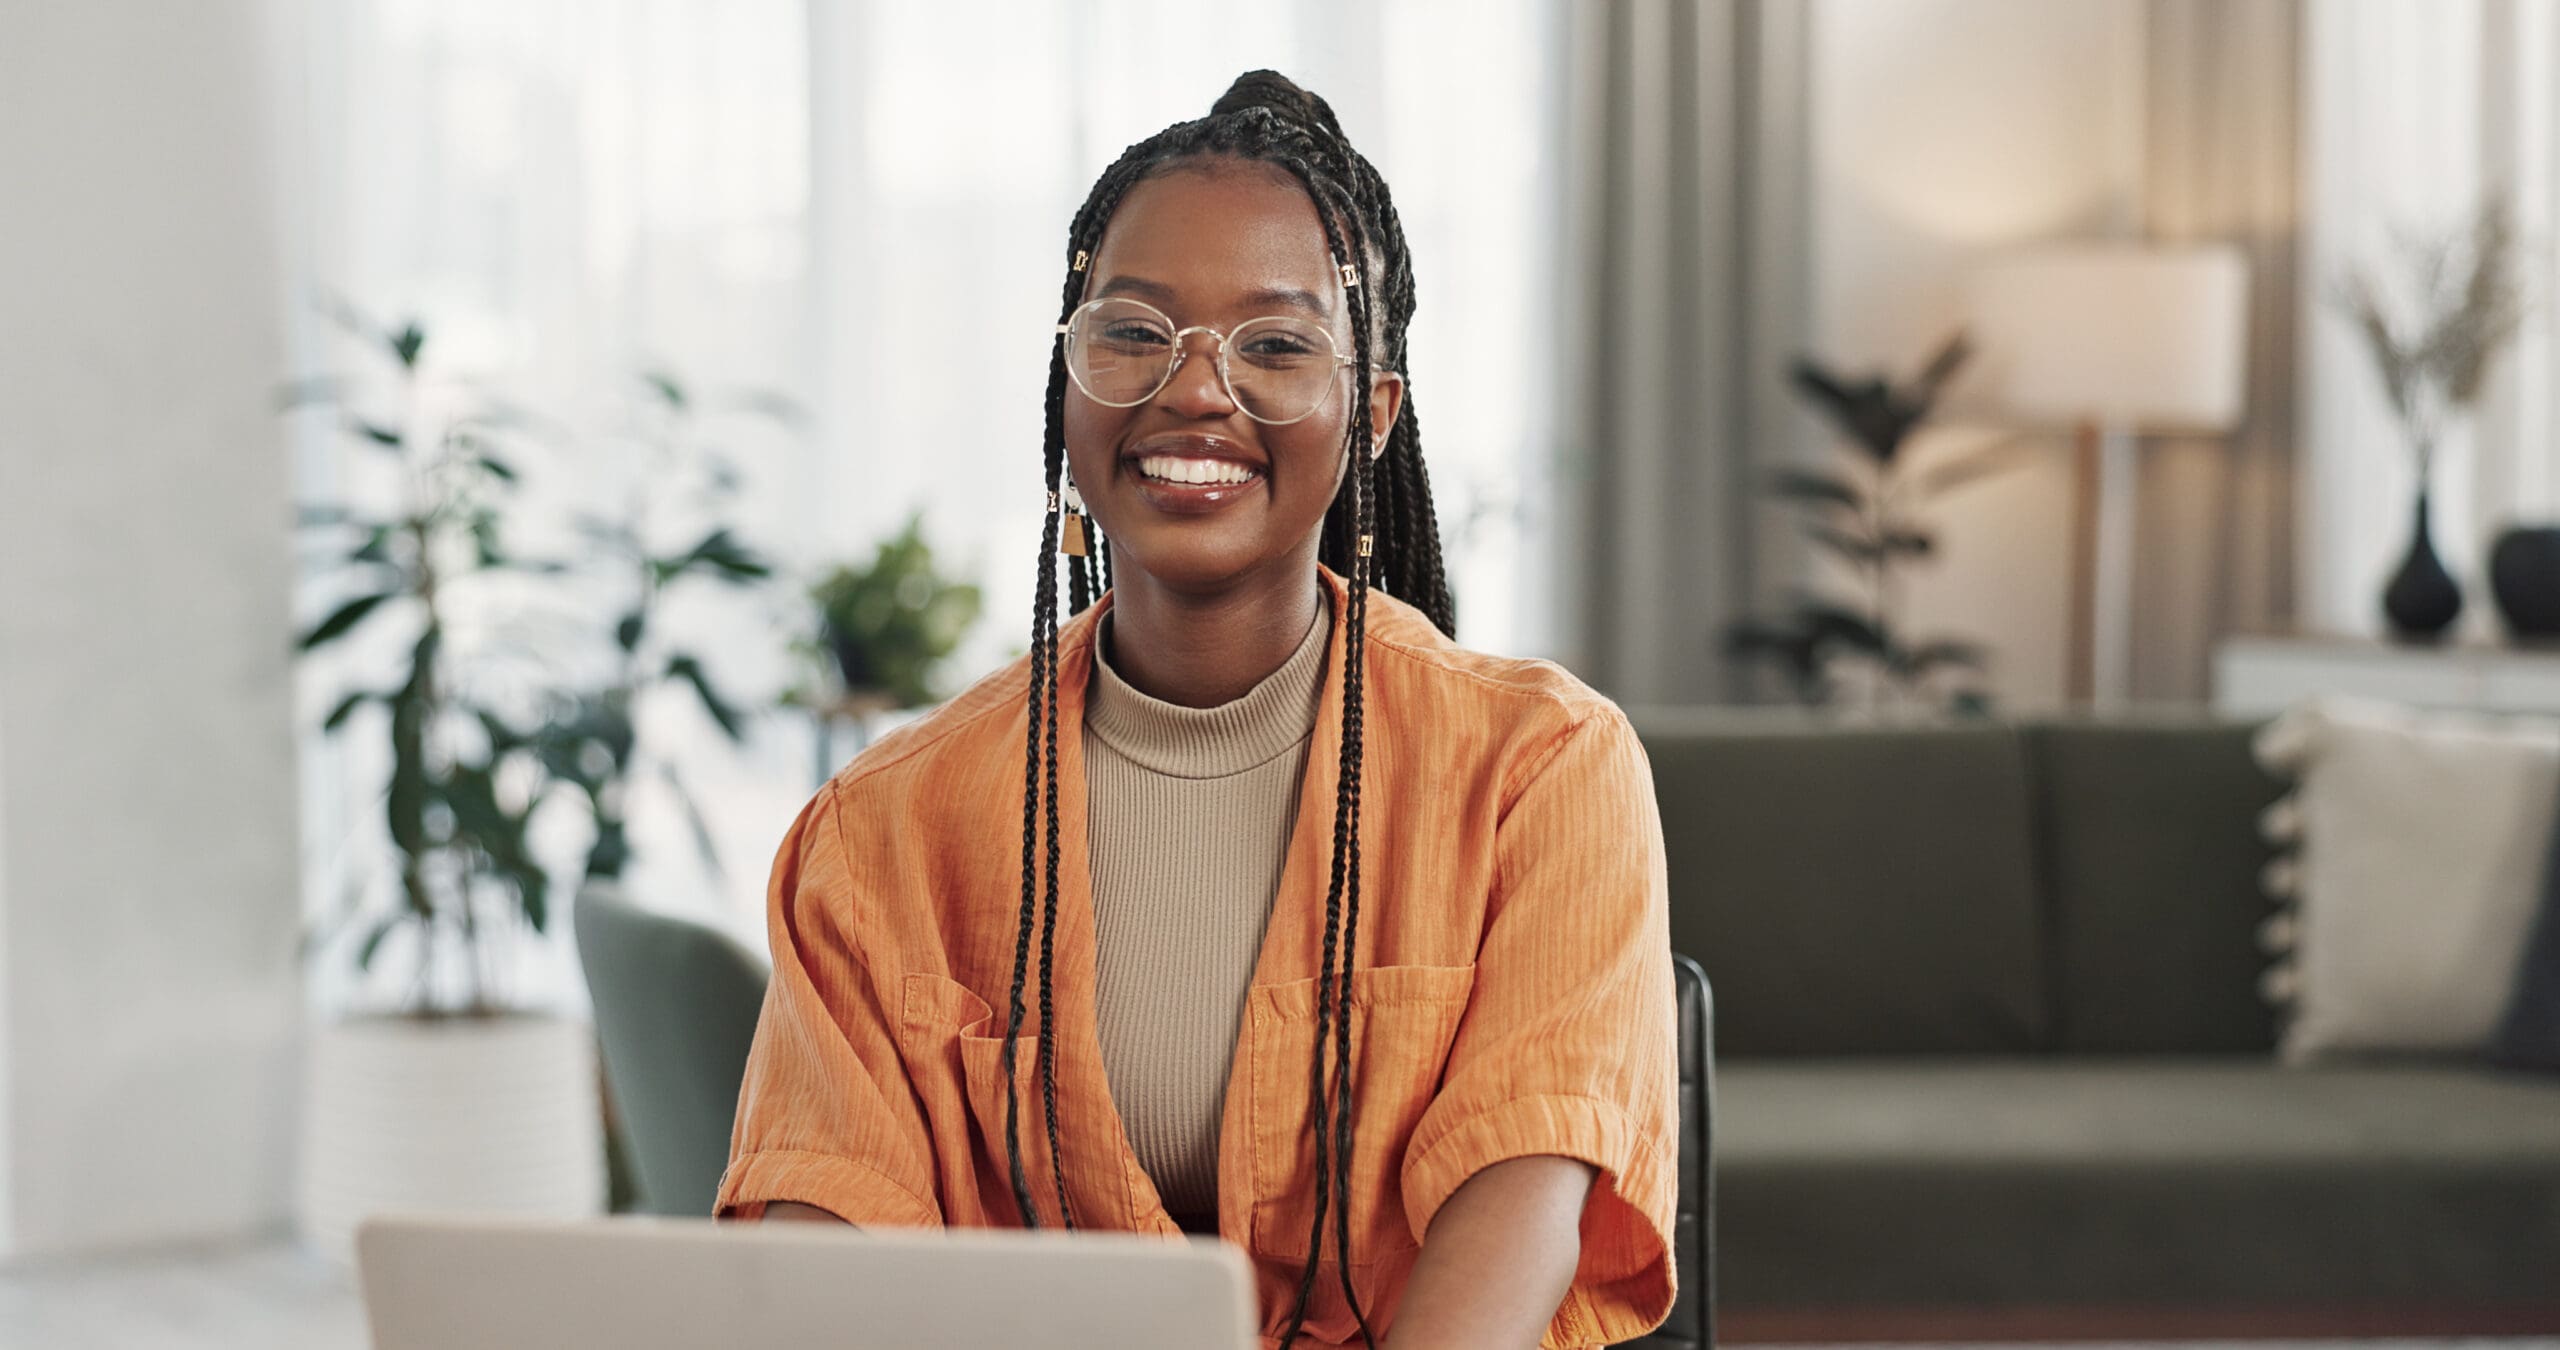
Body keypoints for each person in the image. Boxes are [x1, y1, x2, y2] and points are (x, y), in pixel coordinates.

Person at [716, 70, 1678, 1350]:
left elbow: (1519, 1200)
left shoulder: (1543, 773)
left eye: (1275, 345)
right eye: (1133, 332)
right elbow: (824, 1249)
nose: (1194, 391)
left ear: (1369, 414)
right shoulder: (880, 828)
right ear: (1068, 381)